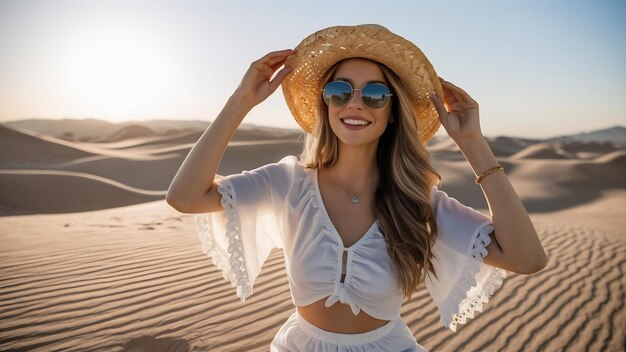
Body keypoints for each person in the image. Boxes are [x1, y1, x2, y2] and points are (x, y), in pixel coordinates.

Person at [166, 24, 549, 352]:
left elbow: (526, 258)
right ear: (326, 104)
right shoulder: (287, 182)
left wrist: (474, 146)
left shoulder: (418, 202)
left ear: (393, 111)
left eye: (375, 95)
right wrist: (241, 101)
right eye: (339, 91)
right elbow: (185, 197)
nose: (354, 104)